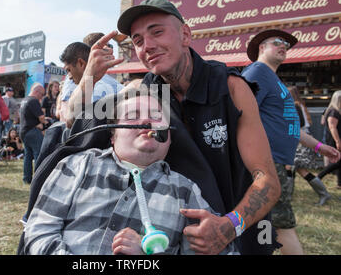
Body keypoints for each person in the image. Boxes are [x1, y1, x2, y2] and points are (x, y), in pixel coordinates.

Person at [71, 0, 279, 255]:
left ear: (185, 35)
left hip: (240, 229)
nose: (147, 45)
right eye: (137, 40)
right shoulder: (143, 91)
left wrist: (228, 226)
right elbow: (74, 121)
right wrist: (89, 76)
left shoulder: (230, 87)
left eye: (157, 32)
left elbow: (268, 180)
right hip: (183, 238)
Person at [23, 90, 238, 255]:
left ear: (169, 136)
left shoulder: (186, 191)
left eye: (155, 116)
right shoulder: (77, 166)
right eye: (133, 116)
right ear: (113, 135)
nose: (146, 122)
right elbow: (39, 231)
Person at [242, 29, 340, 255]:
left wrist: (318, 146)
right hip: (268, 163)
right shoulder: (257, 72)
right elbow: (241, 112)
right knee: (278, 220)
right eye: (277, 42)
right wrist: (261, 158)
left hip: (279, 162)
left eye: (286, 43)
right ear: (261, 48)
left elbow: (289, 127)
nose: (283, 45)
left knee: (268, 219)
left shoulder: (273, 78)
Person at [61, 42, 123, 128]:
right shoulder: (117, 85)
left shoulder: (91, 89)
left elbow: (71, 124)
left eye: (69, 70)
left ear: (81, 64)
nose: (69, 77)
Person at [288, 86, 332, 205]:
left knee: (297, 169)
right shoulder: (299, 105)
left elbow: (298, 124)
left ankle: (323, 194)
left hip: (300, 141)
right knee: (293, 169)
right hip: (302, 140)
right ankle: (288, 196)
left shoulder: (294, 106)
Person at [19, 83, 46, 184]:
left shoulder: (24, 100)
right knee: (39, 154)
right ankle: (38, 179)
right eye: (42, 94)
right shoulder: (33, 100)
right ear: (37, 91)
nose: (42, 97)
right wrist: (45, 122)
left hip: (24, 132)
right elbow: (41, 117)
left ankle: (27, 178)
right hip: (32, 132)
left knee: (28, 156)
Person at [318, 90, 341, 188]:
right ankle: (319, 176)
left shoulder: (335, 111)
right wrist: (338, 141)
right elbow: (332, 127)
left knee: (339, 162)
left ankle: (339, 183)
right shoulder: (333, 112)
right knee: (338, 162)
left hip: (337, 138)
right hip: (334, 139)